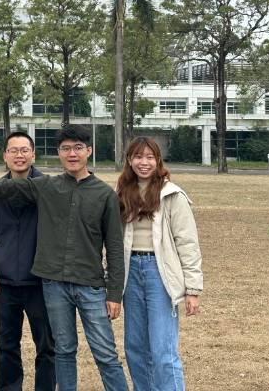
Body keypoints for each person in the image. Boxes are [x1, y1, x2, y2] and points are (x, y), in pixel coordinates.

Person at [0, 124, 128, 391]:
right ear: (58, 153)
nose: (72, 154)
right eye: (66, 148)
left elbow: (115, 247)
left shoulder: (103, 194)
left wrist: (114, 293)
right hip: (45, 283)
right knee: (62, 351)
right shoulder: (47, 186)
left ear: (89, 151)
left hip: (75, 283)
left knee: (102, 353)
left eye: (78, 148)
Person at [117, 137, 203, 391]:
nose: (144, 163)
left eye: (149, 157)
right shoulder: (120, 193)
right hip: (130, 273)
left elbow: (188, 243)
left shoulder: (172, 195)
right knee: (135, 348)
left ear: (158, 161)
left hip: (160, 274)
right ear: (129, 160)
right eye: (138, 157)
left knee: (163, 350)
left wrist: (193, 289)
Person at [0, 132, 55, 391]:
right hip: (7, 280)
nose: (19, 155)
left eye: (24, 150)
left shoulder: (48, 187)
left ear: (33, 154)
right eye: (14, 150)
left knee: (47, 345)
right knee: (7, 345)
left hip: (41, 280)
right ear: (5, 156)